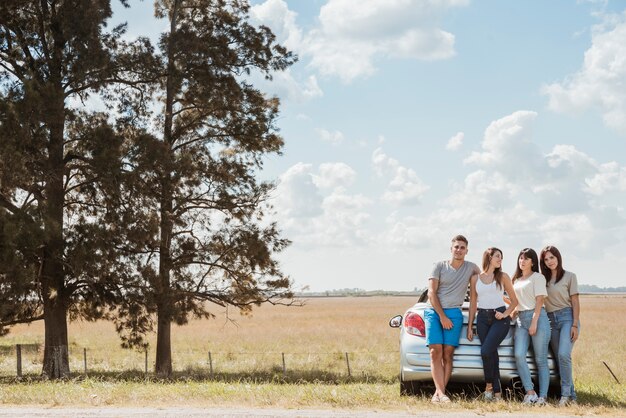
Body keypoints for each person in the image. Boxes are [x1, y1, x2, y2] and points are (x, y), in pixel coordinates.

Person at [425, 234, 480, 403]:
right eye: (456, 247)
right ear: (451, 249)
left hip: (455, 314)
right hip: (434, 312)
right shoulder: (439, 266)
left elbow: (488, 278)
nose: (459, 250)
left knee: (448, 354)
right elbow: (431, 293)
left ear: (467, 251)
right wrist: (442, 316)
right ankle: (441, 394)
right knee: (435, 351)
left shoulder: (471, 268)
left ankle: (439, 393)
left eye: (462, 247)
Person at [467, 247, 519, 402]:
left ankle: (489, 387)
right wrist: (470, 326)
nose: (500, 259)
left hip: (500, 319)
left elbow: (515, 301)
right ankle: (497, 394)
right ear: (488, 257)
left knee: (486, 351)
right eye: (497, 256)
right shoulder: (475, 278)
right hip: (482, 318)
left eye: (501, 257)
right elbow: (473, 304)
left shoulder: (503, 276)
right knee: (491, 354)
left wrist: (504, 314)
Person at [540, 245, 580, 407]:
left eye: (552, 257)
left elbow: (576, 301)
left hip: (567, 318)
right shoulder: (542, 279)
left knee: (564, 355)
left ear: (558, 258)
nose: (550, 261)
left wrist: (575, 325)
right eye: (546, 259)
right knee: (559, 359)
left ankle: (565, 396)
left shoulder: (570, 276)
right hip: (550, 321)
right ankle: (573, 396)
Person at [511, 248, 551, 406]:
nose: (522, 261)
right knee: (519, 355)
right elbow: (519, 302)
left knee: (540, 360)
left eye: (526, 259)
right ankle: (530, 393)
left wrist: (534, 322)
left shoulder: (538, 277)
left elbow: (539, 301)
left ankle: (543, 397)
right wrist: (513, 311)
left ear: (533, 262)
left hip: (538, 318)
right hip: (521, 319)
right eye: (521, 258)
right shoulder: (517, 280)